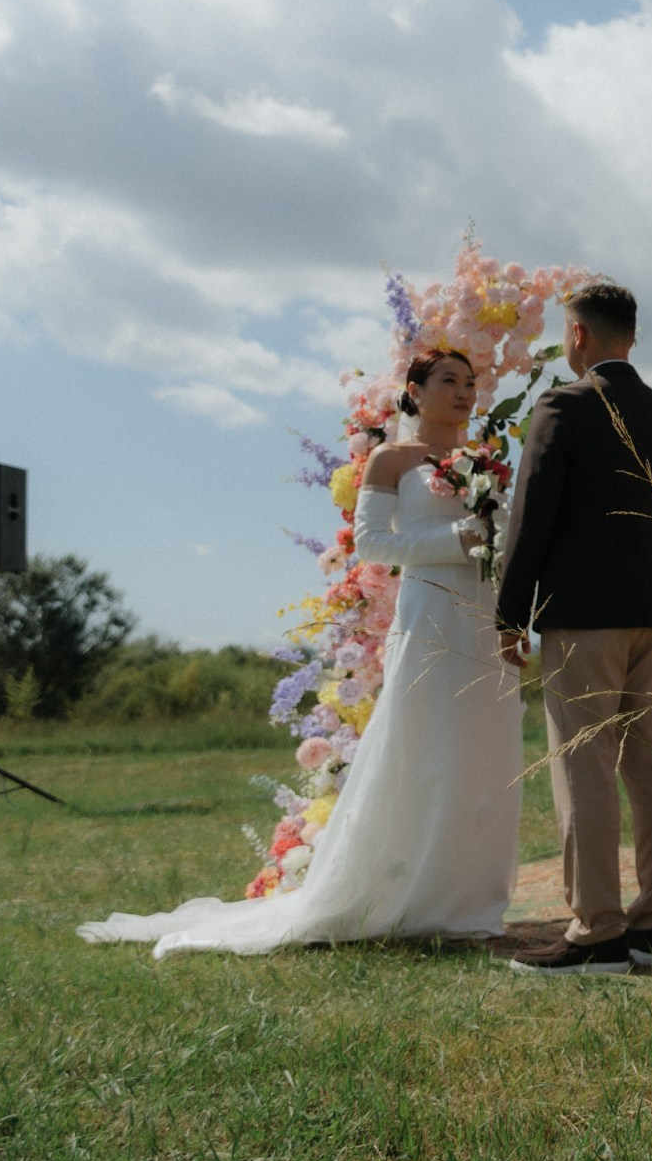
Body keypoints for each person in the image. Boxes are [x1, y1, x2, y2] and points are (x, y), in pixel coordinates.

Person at [80, 352, 525, 957]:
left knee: (485, 758)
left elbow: (505, 543)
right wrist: (457, 539)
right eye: (449, 380)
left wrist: (510, 607)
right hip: (428, 621)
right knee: (427, 753)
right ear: (414, 393)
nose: (464, 391)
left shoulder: (487, 463)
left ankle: (472, 902)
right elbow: (372, 543)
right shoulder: (391, 460)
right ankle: (407, 897)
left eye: (471, 382)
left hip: (483, 618)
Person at [496, 280, 652, 976]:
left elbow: (533, 515)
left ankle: (596, 932)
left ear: (577, 335)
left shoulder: (564, 405)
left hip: (583, 615)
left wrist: (508, 611)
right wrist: (651, 589)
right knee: (650, 766)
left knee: (584, 765)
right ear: (630, 338)